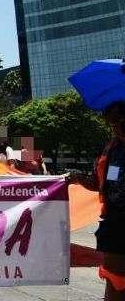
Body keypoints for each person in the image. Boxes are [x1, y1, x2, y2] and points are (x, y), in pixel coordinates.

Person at [69, 101, 125, 300]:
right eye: (112, 124)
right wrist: (78, 179)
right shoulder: (109, 149)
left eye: (120, 122)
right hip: (115, 221)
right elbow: (99, 183)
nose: (116, 127)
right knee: (115, 278)